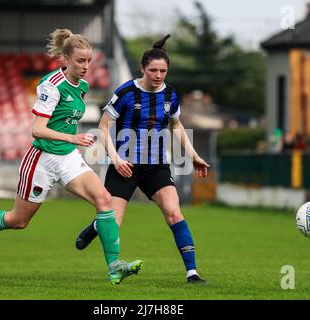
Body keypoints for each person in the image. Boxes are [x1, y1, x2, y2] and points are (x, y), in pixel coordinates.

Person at [0, 28, 142, 285]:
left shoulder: (82, 86)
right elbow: (37, 129)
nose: (86, 66)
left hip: (68, 157)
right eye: (80, 61)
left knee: (104, 200)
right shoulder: (51, 85)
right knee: (18, 221)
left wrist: (72, 142)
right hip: (42, 159)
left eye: (89, 61)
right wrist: (73, 138)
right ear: (66, 59)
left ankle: (115, 266)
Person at [75, 35, 210, 285]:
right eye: (153, 70)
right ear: (143, 69)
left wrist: (194, 157)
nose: (158, 75)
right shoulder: (126, 92)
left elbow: (176, 125)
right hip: (124, 166)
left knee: (174, 212)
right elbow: (104, 127)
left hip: (156, 166)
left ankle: (192, 272)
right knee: (113, 221)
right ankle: (96, 228)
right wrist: (115, 159)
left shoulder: (170, 94)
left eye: (163, 71)